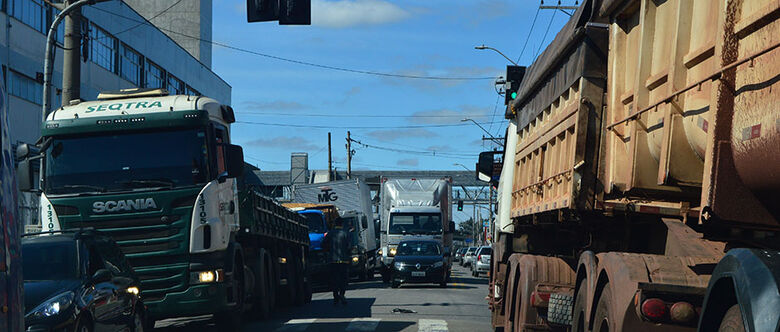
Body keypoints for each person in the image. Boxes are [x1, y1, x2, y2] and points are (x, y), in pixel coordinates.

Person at [322, 217, 351, 305]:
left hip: (333, 261)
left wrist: (329, 251)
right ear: (342, 224)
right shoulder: (346, 233)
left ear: (335, 224)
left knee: (334, 279)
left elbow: (323, 244)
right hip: (344, 261)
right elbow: (349, 247)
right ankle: (342, 294)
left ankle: (335, 297)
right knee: (343, 279)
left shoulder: (330, 234)